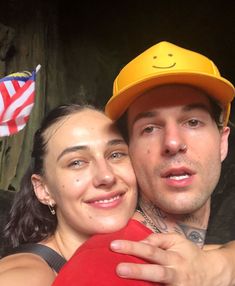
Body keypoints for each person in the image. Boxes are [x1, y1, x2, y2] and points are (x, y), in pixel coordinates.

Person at [53, 41, 234, 285]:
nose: (172, 142)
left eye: (193, 122)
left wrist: (220, 265)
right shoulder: (108, 266)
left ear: (223, 143)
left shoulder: (212, 257)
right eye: (149, 128)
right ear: (130, 153)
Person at [0, 104, 139, 285]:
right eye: (76, 162)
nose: (106, 176)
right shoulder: (29, 274)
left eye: (115, 154)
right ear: (43, 189)